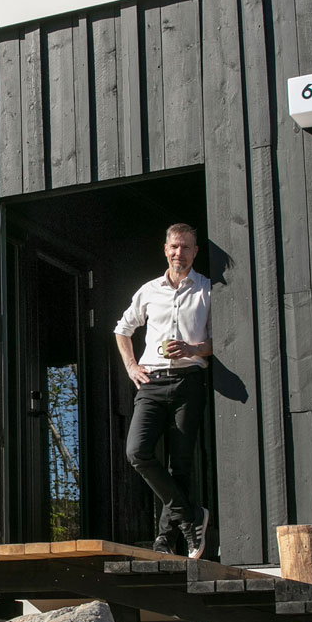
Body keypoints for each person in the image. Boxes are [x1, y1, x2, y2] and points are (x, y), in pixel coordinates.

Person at [113, 223, 212, 558]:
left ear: (195, 251)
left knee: (180, 465)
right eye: (173, 246)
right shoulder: (149, 290)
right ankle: (190, 518)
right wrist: (130, 366)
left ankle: (165, 540)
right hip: (152, 382)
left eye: (185, 247)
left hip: (188, 382)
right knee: (137, 451)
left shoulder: (207, 290)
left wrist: (193, 349)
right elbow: (122, 329)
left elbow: (217, 342)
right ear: (165, 249)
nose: (178, 253)